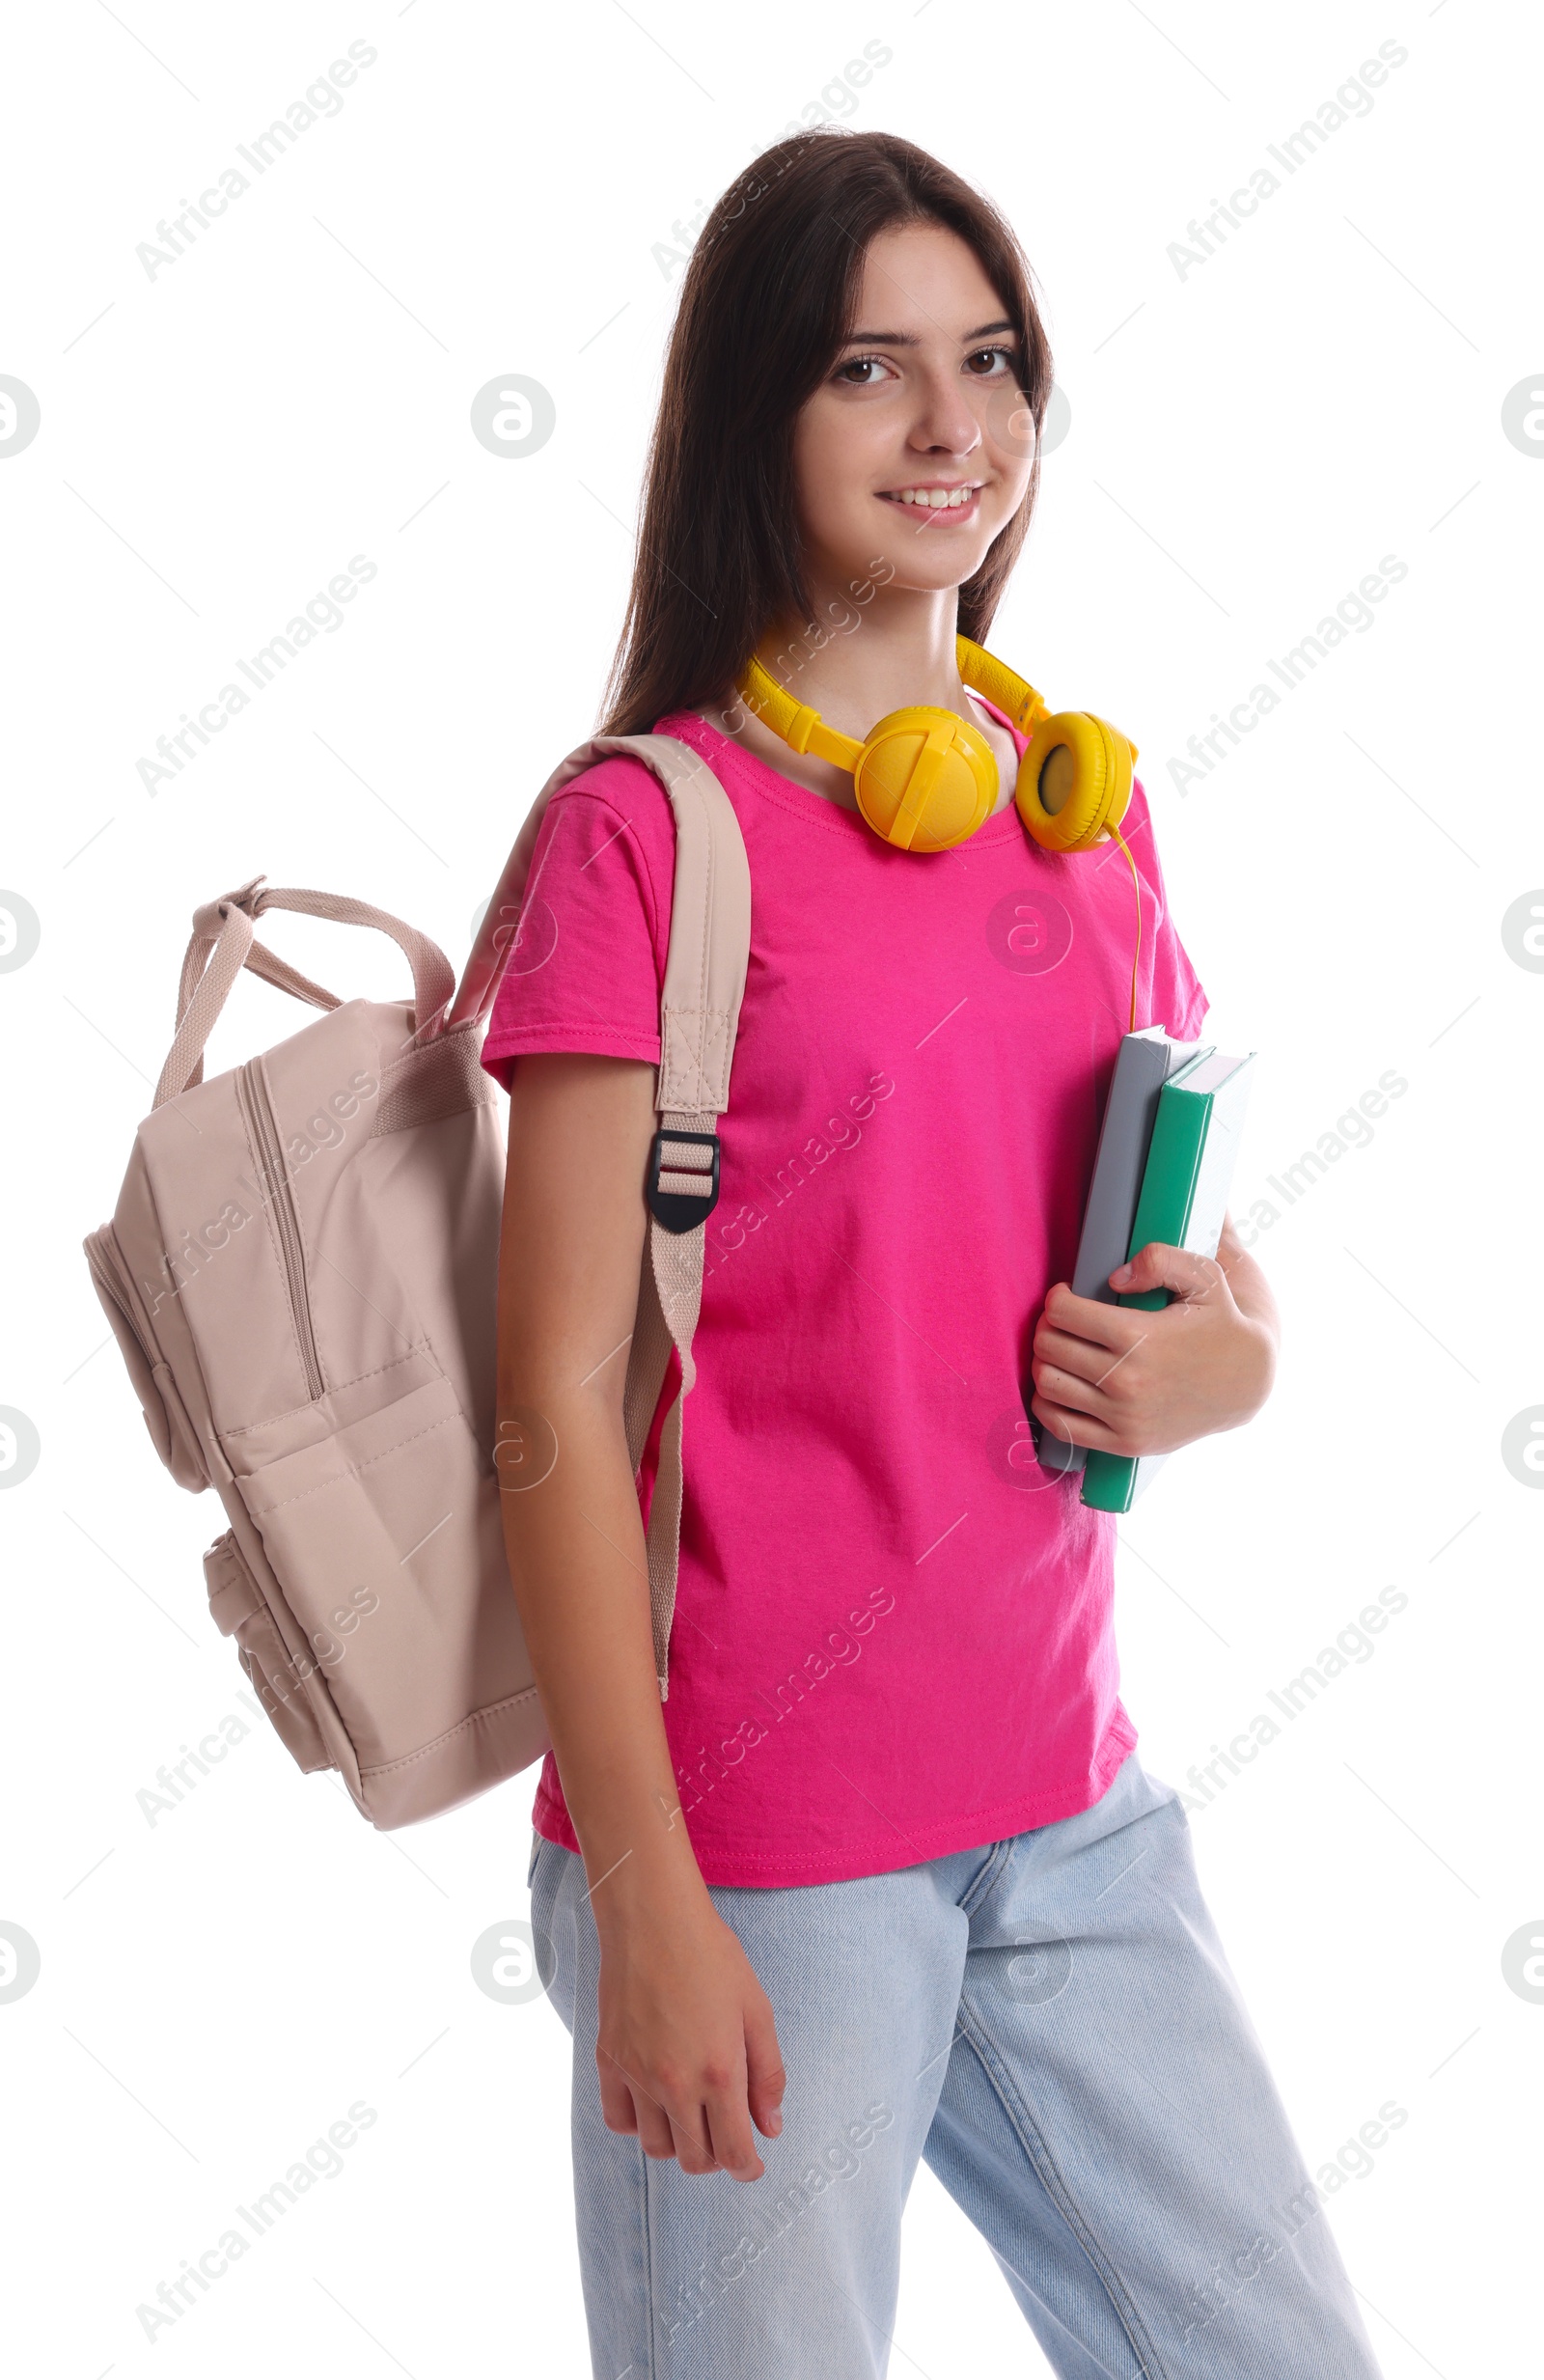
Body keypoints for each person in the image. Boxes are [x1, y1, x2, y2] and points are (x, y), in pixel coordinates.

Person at [486, 127, 1383, 2380]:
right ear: (753, 421)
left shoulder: (1063, 790)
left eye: (983, 362)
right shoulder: (647, 837)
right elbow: (549, 1411)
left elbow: (1186, 1251)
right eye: (869, 371)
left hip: (1070, 1800)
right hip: (767, 1850)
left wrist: (1230, 1365)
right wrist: (654, 1903)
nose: (950, 425)